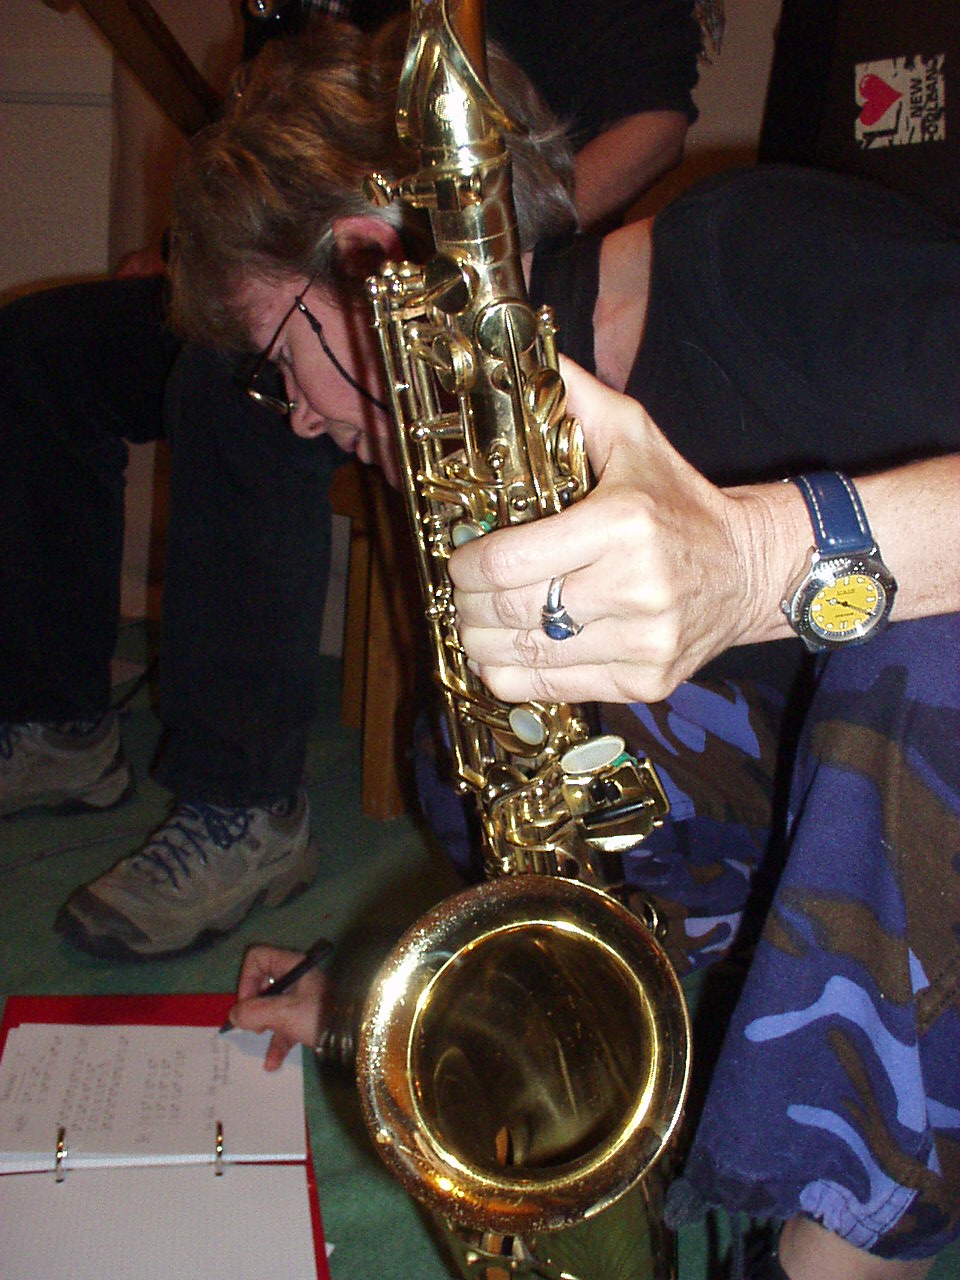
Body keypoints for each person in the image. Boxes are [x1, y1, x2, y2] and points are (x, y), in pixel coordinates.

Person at [189, 21, 960, 1280]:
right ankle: (734, 1053)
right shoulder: (512, 455)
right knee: (499, 720)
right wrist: (427, 998)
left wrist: (765, 558)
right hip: (831, 784)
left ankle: (847, 1241)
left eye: (286, 366)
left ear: (378, 260)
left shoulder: (763, 254)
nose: (308, 423)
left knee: (927, 665)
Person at [0, 0, 701, 960]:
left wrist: (478, 245)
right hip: (314, 279)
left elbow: (657, 120)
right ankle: (55, 723)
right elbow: (277, 166)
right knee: (38, 350)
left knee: (232, 394)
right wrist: (205, 264)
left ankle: (240, 805)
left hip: (462, 287)